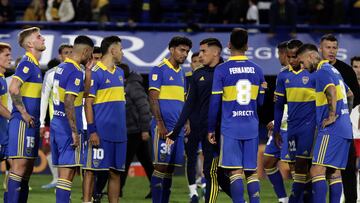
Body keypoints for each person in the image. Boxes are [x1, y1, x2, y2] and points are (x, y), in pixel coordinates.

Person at [167, 38, 232, 203]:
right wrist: (175, 131)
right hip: (204, 131)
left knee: (222, 173)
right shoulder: (198, 74)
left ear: (216, 52)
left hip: (225, 131)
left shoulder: (228, 71)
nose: (200, 55)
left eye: (203, 51)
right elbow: (188, 106)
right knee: (211, 171)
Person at [207, 28, 265, 203]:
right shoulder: (258, 70)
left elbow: (215, 102)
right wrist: (262, 91)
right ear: (247, 46)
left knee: (235, 172)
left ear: (229, 45)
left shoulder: (221, 70)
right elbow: (260, 103)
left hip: (231, 127)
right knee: (251, 172)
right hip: (251, 126)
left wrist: (211, 128)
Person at [297, 43, 354, 203]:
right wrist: (344, 115)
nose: (302, 66)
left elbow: (331, 91)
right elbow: (349, 94)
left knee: (316, 170)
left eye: (302, 62)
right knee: (333, 173)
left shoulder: (321, 71)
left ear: (310, 56)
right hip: (344, 128)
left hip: (332, 128)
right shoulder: (334, 70)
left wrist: (332, 115)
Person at [82, 36, 125, 203]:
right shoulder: (95, 73)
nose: (122, 53)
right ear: (113, 50)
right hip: (100, 132)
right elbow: (88, 104)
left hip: (120, 133)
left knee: (115, 172)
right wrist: (92, 130)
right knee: (91, 169)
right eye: (120, 49)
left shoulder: (120, 73)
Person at [50, 35, 94, 203]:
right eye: (90, 54)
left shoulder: (62, 67)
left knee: (64, 174)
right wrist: (74, 131)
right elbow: (69, 101)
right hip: (67, 127)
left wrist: (88, 72)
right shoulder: (75, 71)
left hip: (57, 123)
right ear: (86, 51)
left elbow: (85, 93)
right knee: (67, 174)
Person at [148, 36, 191, 203]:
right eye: (182, 50)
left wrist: (186, 121)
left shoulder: (181, 73)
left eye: (187, 51)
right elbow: (153, 98)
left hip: (178, 129)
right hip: (164, 128)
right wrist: (159, 124)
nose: (185, 54)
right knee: (160, 167)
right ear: (171, 49)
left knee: (170, 169)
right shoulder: (159, 69)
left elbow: (183, 100)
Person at [273, 39, 316, 202]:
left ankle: (294, 200)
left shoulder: (313, 73)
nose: (291, 61)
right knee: (296, 168)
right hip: (292, 128)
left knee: (303, 166)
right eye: (289, 57)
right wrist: (277, 130)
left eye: (294, 57)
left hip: (309, 128)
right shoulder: (283, 75)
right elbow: (278, 106)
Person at [319, 34, 360, 203]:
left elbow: (355, 96)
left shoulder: (345, 70)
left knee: (348, 168)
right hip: (321, 128)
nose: (331, 51)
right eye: (328, 47)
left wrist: (341, 116)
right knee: (318, 170)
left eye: (334, 47)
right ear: (320, 48)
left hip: (343, 128)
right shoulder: (316, 69)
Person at [7, 27, 45, 202]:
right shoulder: (27, 62)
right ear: (30, 43)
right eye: (39, 37)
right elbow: (13, 88)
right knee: (19, 168)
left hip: (31, 124)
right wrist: (24, 113)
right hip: (23, 122)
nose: (43, 38)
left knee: (27, 169)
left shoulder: (35, 66)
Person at [39, 43, 73, 189]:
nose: (69, 55)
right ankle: (58, 182)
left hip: (75, 123)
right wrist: (42, 122)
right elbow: (44, 99)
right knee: (53, 152)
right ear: (60, 55)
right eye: (66, 52)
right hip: (56, 122)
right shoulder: (52, 74)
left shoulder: (82, 72)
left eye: (71, 52)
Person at [118, 63, 153, 199]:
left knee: (124, 161)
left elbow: (144, 108)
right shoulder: (128, 85)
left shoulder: (133, 86)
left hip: (135, 130)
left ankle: (118, 190)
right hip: (131, 129)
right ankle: (157, 187)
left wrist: (145, 129)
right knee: (146, 160)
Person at [263, 41, 291, 203]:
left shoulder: (298, 74)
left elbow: (297, 104)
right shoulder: (282, 73)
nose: (279, 57)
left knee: (296, 169)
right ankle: (283, 199)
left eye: (280, 53)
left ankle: (302, 197)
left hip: (292, 127)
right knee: (268, 162)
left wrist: (277, 121)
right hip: (280, 128)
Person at [0, 42, 12, 202]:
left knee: (16, 166)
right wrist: (16, 118)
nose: (10, 58)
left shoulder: (3, 78)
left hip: (3, 133)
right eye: (6, 55)